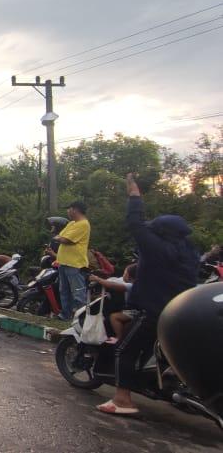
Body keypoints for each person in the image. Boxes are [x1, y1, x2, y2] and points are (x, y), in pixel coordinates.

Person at [97, 173, 199, 417]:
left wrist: (134, 193)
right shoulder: (189, 254)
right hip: (182, 313)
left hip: (155, 312)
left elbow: (135, 223)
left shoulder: (157, 249)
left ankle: (122, 399)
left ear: (161, 232)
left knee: (124, 350)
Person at [55, 201, 91, 320]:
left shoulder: (83, 224)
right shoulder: (71, 223)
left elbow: (66, 239)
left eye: (69, 209)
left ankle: (82, 318)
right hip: (63, 262)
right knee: (64, 291)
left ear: (75, 210)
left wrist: (60, 238)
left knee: (78, 292)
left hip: (75, 264)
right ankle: (66, 314)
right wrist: (60, 238)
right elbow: (60, 236)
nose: (67, 211)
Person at [90, 263, 137, 343]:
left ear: (129, 276)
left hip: (135, 312)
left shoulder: (132, 285)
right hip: (134, 309)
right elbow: (115, 281)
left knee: (114, 316)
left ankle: (119, 338)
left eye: (124, 273)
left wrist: (98, 279)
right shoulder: (138, 284)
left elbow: (113, 285)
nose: (123, 275)